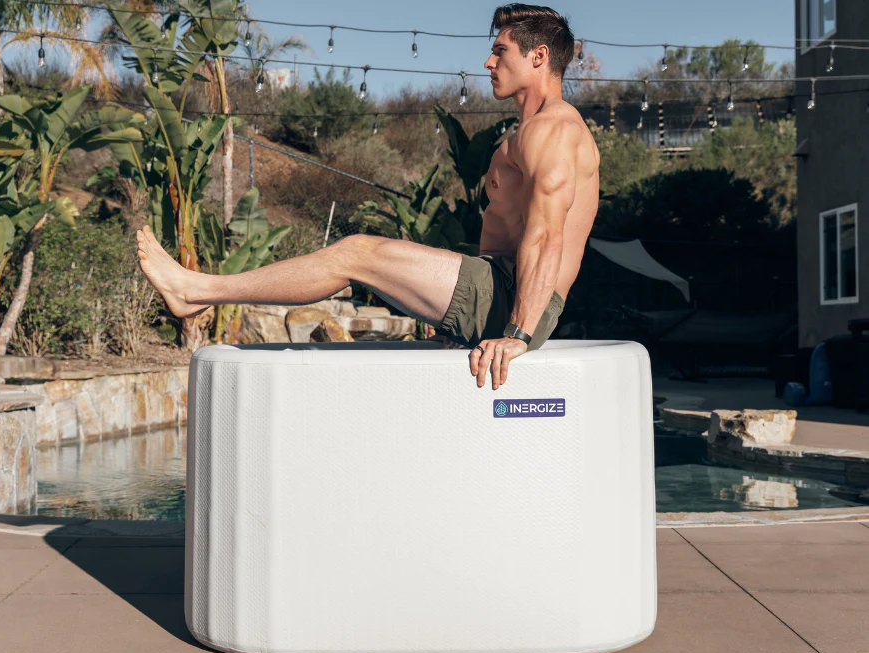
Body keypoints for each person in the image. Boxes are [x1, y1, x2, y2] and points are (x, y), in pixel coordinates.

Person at [135, 2, 599, 392]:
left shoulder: (554, 129)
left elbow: (544, 238)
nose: (488, 62)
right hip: (498, 288)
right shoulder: (523, 134)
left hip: (523, 302)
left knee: (357, 253)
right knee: (364, 256)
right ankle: (197, 292)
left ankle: (196, 290)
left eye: (500, 51)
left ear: (538, 56)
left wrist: (515, 334)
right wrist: (459, 318)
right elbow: (501, 241)